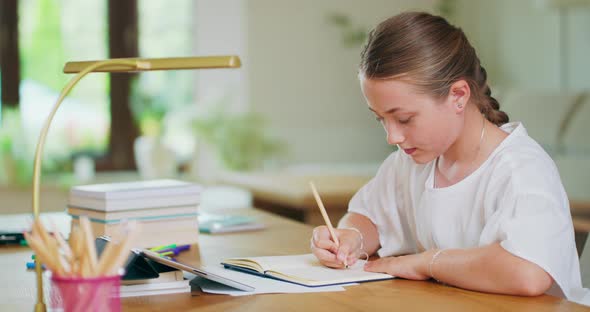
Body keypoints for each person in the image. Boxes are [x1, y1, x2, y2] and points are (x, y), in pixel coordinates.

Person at [311, 11, 584, 299]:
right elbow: (368, 217)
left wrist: (427, 262)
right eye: (381, 119)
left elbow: (529, 273)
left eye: (403, 119)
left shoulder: (520, 169)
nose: (392, 137)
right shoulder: (410, 164)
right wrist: (349, 238)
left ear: (458, 95)